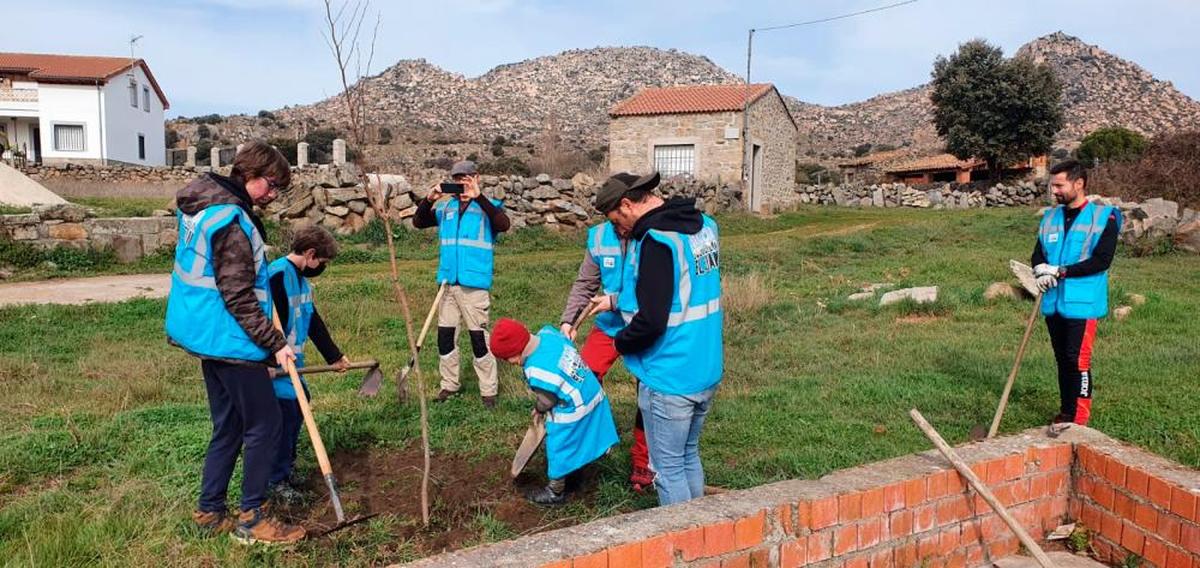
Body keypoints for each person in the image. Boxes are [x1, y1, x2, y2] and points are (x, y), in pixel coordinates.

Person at [164, 140, 305, 544]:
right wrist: (274, 341)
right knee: (266, 424)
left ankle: (209, 511)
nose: (274, 195)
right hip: (230, 338)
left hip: (204, 333)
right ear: (251, 175)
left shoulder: (204, 206)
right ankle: (252, 518)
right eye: (272, 185)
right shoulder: (232, 222)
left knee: (228, 424)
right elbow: (238, 294)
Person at [585, 171, 723, 506]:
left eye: (617, 219)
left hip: (670, 372)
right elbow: (680, 292)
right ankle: (702, 535)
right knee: (688, 455)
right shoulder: (704, 225)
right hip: (705, 365)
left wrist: (619, 343)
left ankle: (682, 547)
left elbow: (651, 321)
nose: (620, 229)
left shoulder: (658, 241)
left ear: (628, 205)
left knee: (668, 467)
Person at [559, 173, 654, 492]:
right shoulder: (599, 237)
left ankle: (644, 464)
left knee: (648, 396)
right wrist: (568, 322)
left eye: (619, 219)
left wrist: (615, 300)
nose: (618, 226)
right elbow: (586, 283)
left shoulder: (652, 235)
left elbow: (653, 289)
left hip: (645, 327)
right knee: (580, 381)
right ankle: (586, 450)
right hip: (609, 327)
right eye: (612, 220)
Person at [1030, 159, 1122, 428]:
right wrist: (1040, 270)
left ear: (1079, 183)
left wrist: (1058, 271)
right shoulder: (1050, 218)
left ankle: (1079, 420)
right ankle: (1066, 412)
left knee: (1077, 359)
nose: (1053, 191)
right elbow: (1038, 253)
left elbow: (1101, 261)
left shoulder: (1105, 217)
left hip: (1082, 303)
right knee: (1062, 359)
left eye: (1059, 185)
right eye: (1052, 185)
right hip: (1054, 302)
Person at [413, 160, 511, 409]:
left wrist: (480, 198)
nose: (460, 183)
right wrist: (430, 198)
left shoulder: (489, 208)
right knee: (445, 338)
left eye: (465, 178)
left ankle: (488, 390)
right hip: (447, 283)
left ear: (476, 177)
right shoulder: (446, 208)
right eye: (456, 179)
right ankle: (449, 384)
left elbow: (503, 224)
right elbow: (419, 222)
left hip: (474, 284)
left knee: (479, 339)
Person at [489, 318, 619, 505]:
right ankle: (579, 468)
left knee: (559, 446)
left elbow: (548, 399)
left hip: (575, 408)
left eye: (508, 359)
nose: (510, 363)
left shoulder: (538, 370)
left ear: (515, 354)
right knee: (583, 437)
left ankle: (555, 492)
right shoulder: (548, 335)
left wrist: (539, 409)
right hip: (591, 393)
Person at [266, 225, 351, 505]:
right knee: (286, 416)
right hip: (274, 365)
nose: (322, 267)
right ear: (311, 254)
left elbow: (313, 321)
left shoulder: (301, 281)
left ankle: (285, 471)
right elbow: (266, 323)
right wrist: (268, 359)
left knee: (298, 410)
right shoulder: (277, 276)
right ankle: (275, 481)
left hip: (293, 363)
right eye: (323, 262)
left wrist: (334, 356)